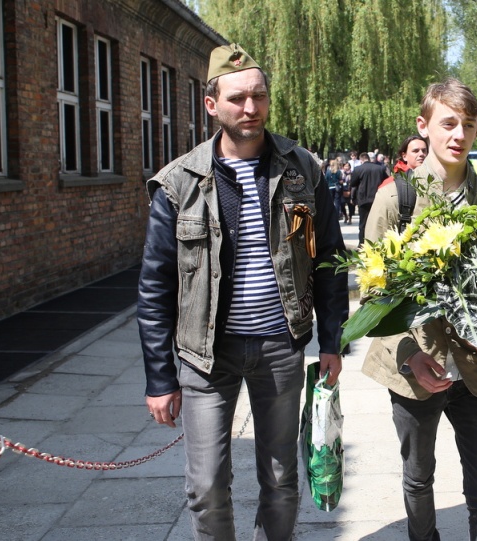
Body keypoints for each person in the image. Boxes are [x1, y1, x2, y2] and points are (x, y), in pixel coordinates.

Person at [137, 44, 348, 540]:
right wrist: (159, 377)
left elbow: (330, 262)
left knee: (280, 480)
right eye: (237, 99)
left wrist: (333, 340)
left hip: (280, 347)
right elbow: (155, 286)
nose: (250, 108)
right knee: (207, 485)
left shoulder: (303, 171)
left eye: (259, 96)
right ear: (212, 105)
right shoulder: (178, 183)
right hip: (206, 355)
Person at [362, 78, 477, 541]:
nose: (459, 134)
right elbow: (373, 295)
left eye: (468, 125)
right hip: (414, 367)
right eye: (448, 123)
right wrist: (408, 353)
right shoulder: (397, 198)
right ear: (423, 126)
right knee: (418, 480)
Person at [350, 150, 389, 245]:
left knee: (363, 223)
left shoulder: (358, 169)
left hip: (363, 199)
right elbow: (387, 182)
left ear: (361, 159)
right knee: (377, 222)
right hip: (377, 198)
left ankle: (362, 243)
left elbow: (353, 183)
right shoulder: (379, 169)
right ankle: (377, 242)